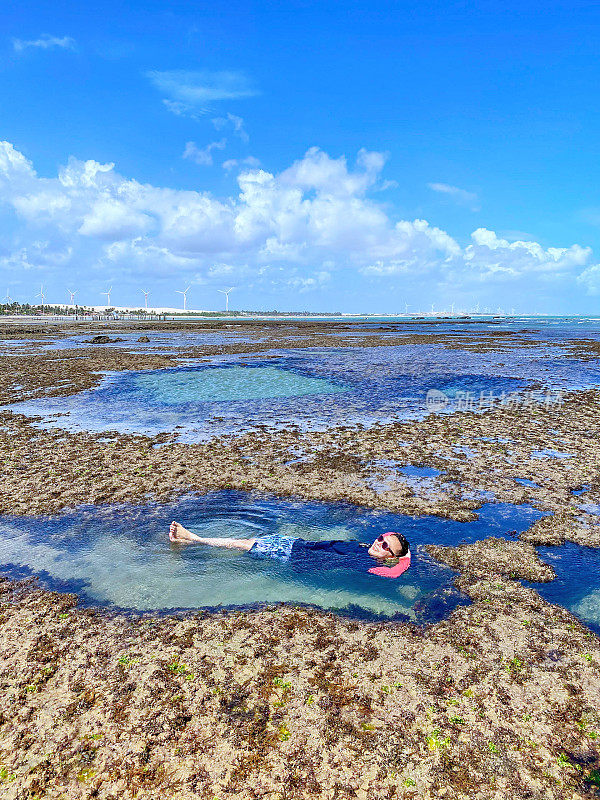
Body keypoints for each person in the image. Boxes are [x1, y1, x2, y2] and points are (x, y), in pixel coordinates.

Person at [168, 522, 411, 579]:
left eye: (385, 545)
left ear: (390, 557)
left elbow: (398, 570)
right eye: (381, 537)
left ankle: (194, 539)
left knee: (244, 544)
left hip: (291, 556)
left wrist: (402, 559)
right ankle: (190, 542)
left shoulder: (367, 564)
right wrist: (399, 550)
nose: (378, 543)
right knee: (246, 542)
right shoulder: (362, 546)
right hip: (295, 543)